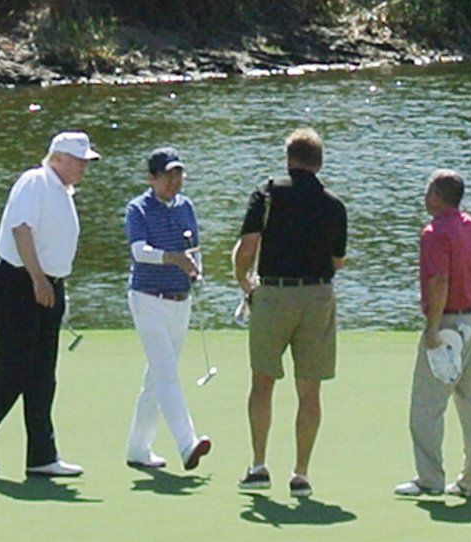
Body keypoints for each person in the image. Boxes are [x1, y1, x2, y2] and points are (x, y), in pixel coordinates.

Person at [0, 131, 99, 476]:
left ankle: (42, 456)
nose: (83, 169)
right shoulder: (36, 181)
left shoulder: (62, 191)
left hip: (47, 286)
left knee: (42, 375)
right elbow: (21, 230)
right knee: (14, 369)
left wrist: (54, 284)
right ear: (59, 158)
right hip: (19, 284)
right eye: (79, 162)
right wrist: (37, 279)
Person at [232, 127, 347, 498]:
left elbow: (248, 246)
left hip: (274, 294)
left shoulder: (267, 193)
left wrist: (243, 282)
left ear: (288, 159)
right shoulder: (334, 204)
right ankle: (300, 474)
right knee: (309, 389)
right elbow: (337, 260)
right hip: (317, 296)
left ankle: (259, 465)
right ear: (319, 162)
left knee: (262, 381)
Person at [394, 170, 471, 499]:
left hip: (449, 325)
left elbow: (439, 281)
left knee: (426, 405)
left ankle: (430, 479)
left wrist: (433, 328)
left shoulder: (435, 232)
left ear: (436, 195)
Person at [124, 147, 211, 471]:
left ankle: (138, 448)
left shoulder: (186, 206)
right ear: (152, 178)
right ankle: (187, 443)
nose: (174, 181)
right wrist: (172, 258)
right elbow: (139, 251)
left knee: (157, 377)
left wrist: (196, 271)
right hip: (147, 299)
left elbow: (193, 248)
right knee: (167, 374)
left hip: (179, 300)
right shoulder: (138, 209)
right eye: (167, 175)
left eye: (178, 174)